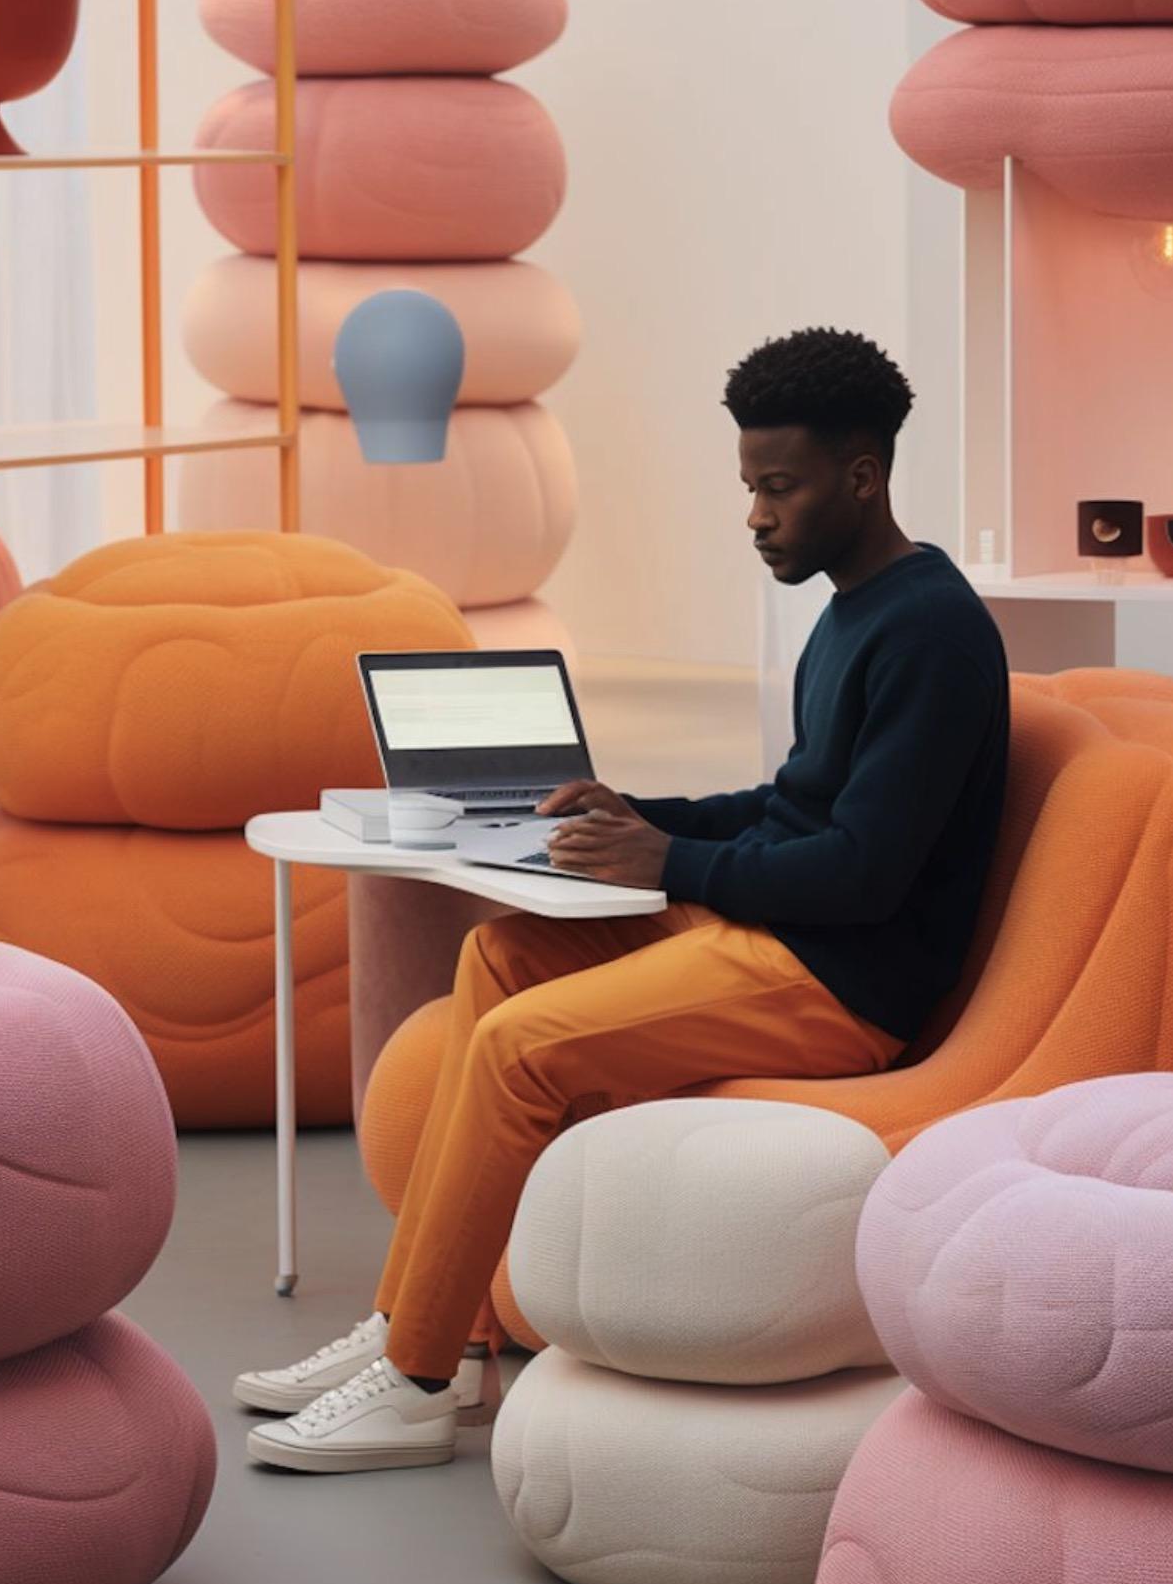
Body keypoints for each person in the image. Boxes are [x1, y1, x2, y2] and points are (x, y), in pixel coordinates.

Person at [239, 326, 1011, 1473]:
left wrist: (664, 863)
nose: (755, 516)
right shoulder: (853, 610)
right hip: (781, 929)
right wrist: (639, 811)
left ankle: (415, 1383)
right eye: (749, 487)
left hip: (840, 979)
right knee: (499, 956)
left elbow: (862, 873)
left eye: (779, 488)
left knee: (518, 1047)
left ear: (862, 476)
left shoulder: (933, 633)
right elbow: (791, 802)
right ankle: (428, 1324)